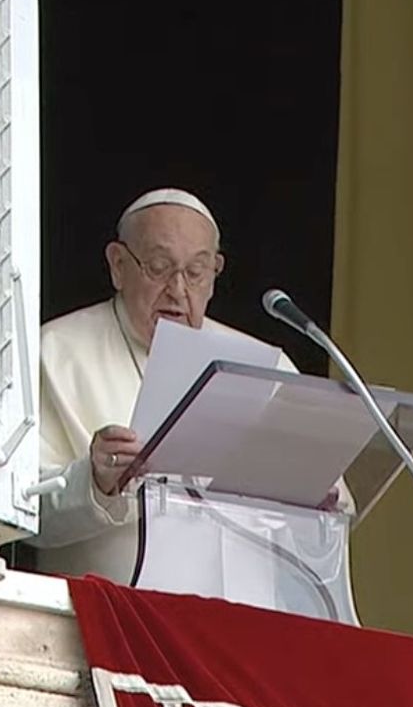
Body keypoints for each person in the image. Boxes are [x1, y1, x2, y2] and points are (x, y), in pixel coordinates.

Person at [30, 187, 305, 580]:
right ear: (118, 264)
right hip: (107, 620)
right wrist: (94, 483)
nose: (178, 290)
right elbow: (17, 512)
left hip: (234, 618)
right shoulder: (53, 352)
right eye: (159, 267)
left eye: (195, 272)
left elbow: (327, 509)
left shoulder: (268, 367)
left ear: (214, 274)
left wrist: (308, 498)